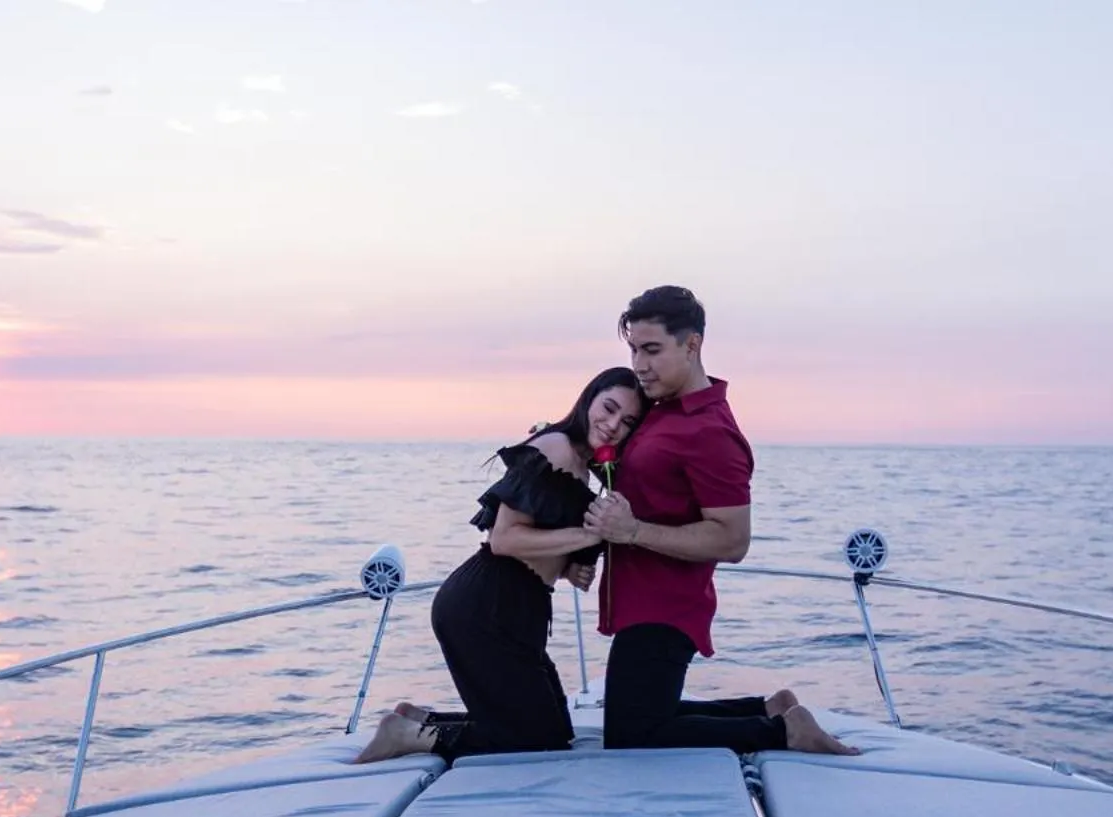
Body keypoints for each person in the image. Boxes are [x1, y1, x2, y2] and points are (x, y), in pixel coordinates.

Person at [583, 285, 857, 755]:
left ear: (692, 346)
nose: (639, 365)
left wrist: (632, 532)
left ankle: (783, 732)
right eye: (633, 350)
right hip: (637, 598)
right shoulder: (662, 411)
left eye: (652, 350)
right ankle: (771, 708)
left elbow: (733, 540)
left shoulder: (711, 432)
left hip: (667, 606)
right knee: (636, 719)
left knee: (633, 736)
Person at [353, 368, 643, 763]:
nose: (613, 425)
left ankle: (419, 717)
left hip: (520, 607)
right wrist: (592, 536)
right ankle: (410, 734)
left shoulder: (582, 466)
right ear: (588, 399)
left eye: (627, 422)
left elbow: (540, 540)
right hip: (486, 606)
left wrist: (569, 569)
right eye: (608, 409)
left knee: (556, 732)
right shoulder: (555, 447)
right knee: (538, 744)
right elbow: (504, 539)